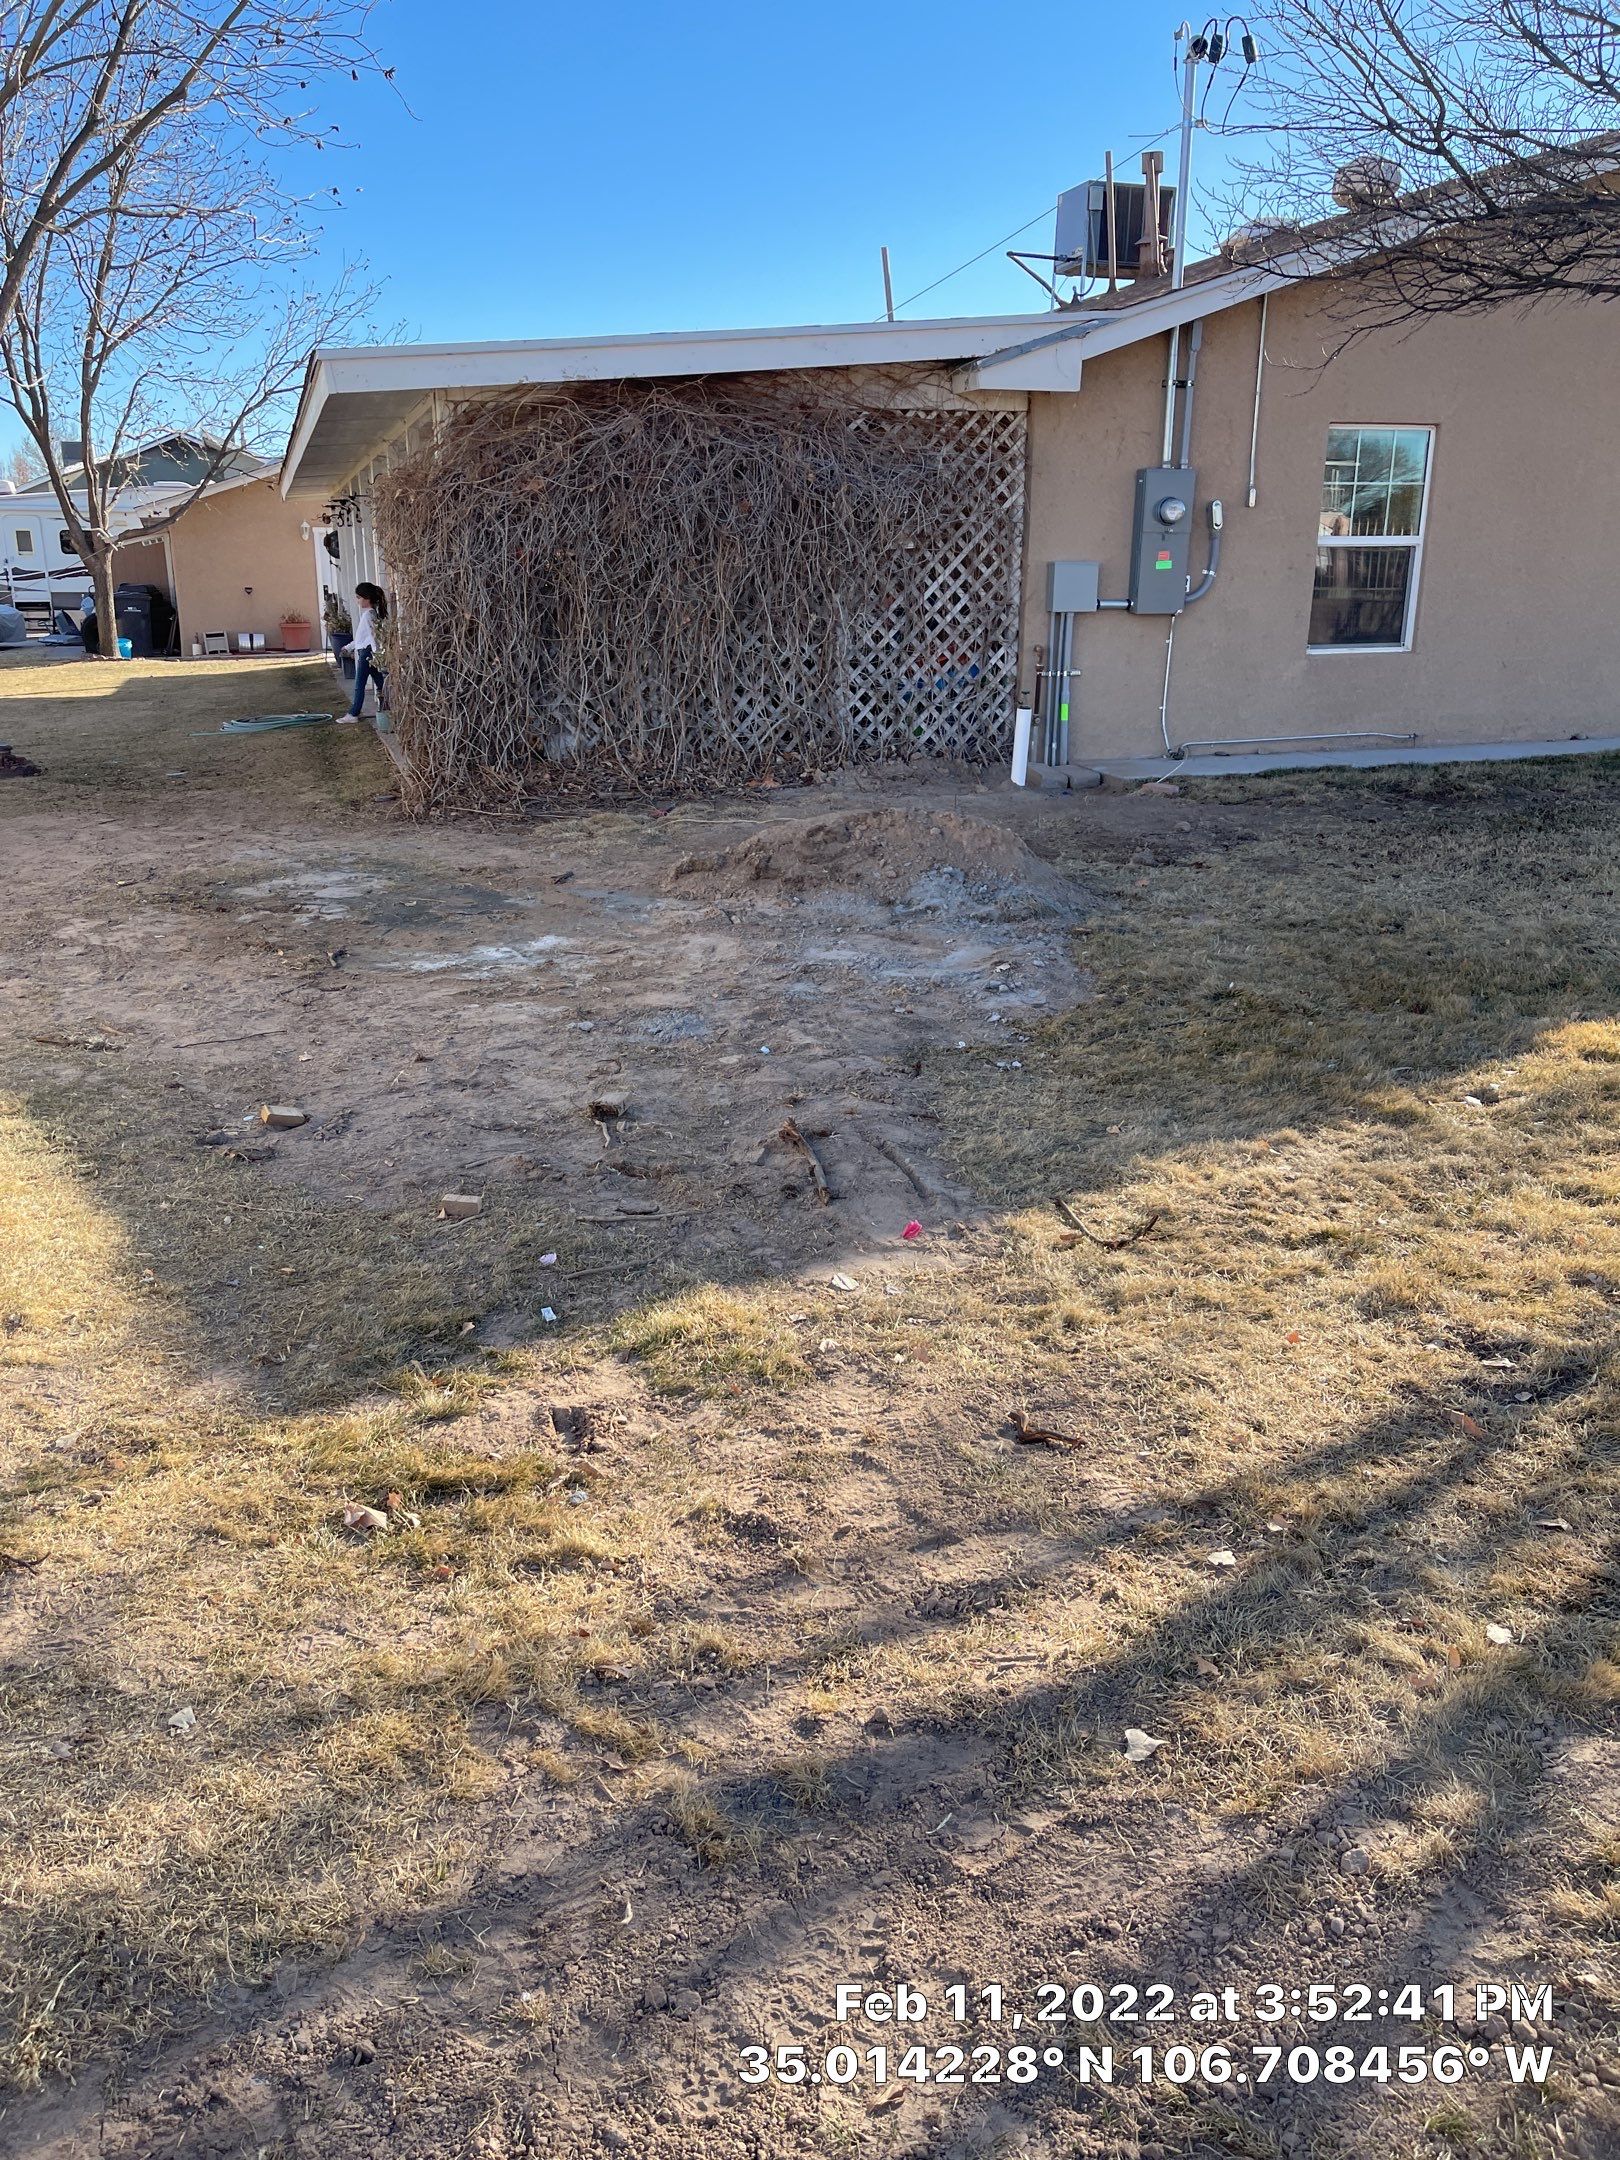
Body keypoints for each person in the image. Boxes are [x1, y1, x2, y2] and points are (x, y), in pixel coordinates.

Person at [337, 581, 389, 723]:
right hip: (368, 653)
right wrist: (349, 647)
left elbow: (373, 638)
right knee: (381, 683)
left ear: (367, 598)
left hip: (367, 654)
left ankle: (353, 714)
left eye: (359, 597)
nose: (357, 601)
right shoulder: (370, 615)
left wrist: (378, 655)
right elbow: (363, 638)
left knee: (360, 684)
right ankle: (390, 707)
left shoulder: (368, 616)